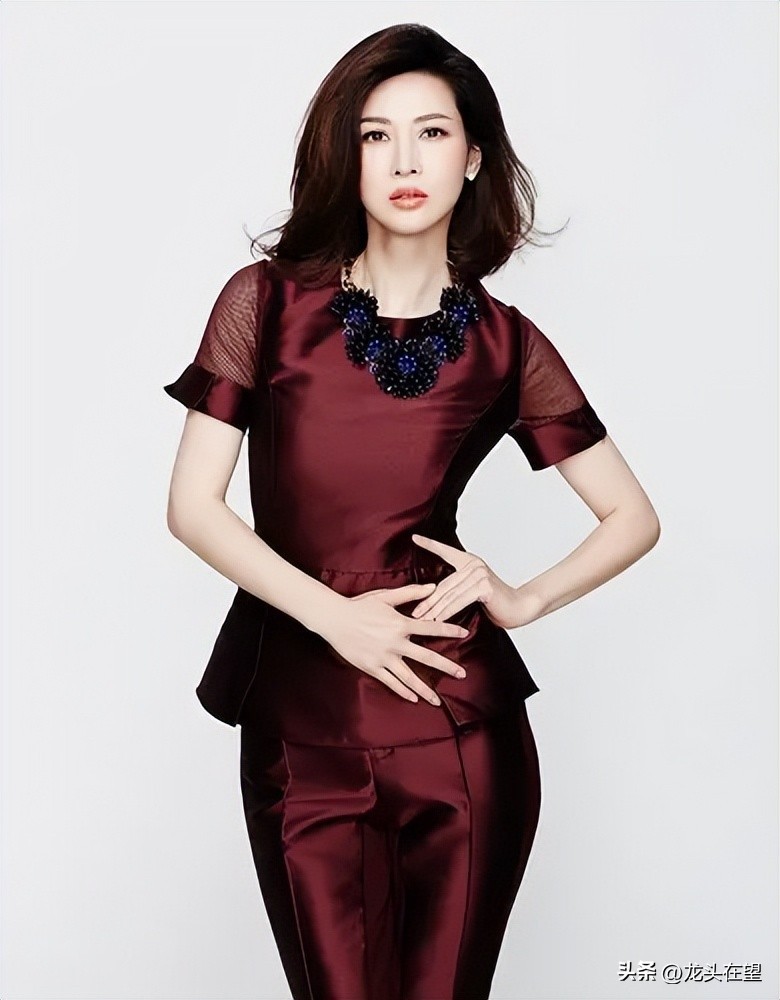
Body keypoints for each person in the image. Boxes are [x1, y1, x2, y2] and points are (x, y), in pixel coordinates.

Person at [163, 23, 660, 1000]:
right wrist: (336, 618)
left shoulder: (507, 343)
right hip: (298, 722)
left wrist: (521, 598)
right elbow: (193, 507)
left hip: (460, 728)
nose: (403, 161)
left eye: (431, 133)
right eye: (375, 135)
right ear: (343, 157)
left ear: (472, 158)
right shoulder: (264, 303)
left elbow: (631, 517)